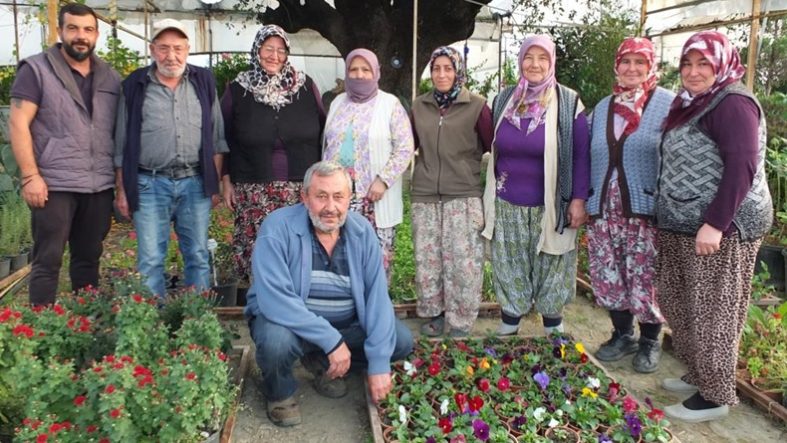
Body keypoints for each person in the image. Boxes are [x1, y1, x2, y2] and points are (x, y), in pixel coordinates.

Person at [656, 31, 772, 422]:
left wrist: (716, 224)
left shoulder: (733, 103)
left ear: (721, 65)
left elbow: (742, 166)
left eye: (703, 64)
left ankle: (715, 396)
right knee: (680, 303)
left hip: (720, 228)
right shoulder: (692, 102)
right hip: (682, 223)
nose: (693, 72)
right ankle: (699, 374)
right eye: (687, 64)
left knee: (713, 312)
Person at [245, 161, 413, 427]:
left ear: (349, 198)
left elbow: (377, 298)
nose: (330, 207)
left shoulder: (362, 232)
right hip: (292, 327)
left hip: (346, 326)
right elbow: (274, 300)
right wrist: (331, 340)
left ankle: (323, 363)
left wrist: (379, 363)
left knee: (400, 340)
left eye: (338, 197)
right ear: (305, 197)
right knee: (276, 341)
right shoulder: (277, 228)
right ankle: (280, 392)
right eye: (321, 196)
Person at [8, 3, 120, 305]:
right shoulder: (36, 70)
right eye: (73, 28)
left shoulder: (110, 77)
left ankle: (85, 321)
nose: (81, 36)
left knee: (88, 258)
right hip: (53, 184)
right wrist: (30, 176)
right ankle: (41, 324)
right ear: (60, 31)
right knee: (48, 260)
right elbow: (18, 123)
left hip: (97, 185)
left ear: (96, 34)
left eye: (88, 29)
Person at [482, 34, 590, 336]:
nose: (535, 64)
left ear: (552, 62)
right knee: (509, 265)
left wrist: (578, 199)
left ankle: (553, 330)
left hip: (551, 205)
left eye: (543, 58)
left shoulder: (568, 103)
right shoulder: (504, 100)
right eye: (529, 57)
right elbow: (490, 145)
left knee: (553, 266)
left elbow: (581, 155)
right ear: (520, 61)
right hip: (507, 204)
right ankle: (509, 326)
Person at [115, 19, 228, 297]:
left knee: (198, 255)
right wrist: (122, 190)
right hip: (149, 184)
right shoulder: (134, 85)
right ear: (152, 50)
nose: (171, 55)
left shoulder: (203, 81)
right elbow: (121, 144)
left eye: (178, 48)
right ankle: (151, 320)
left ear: (188, 49)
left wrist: (213, 184)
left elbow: (216, 137)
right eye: (164, 48)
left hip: (195, 183)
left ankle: (197, 317)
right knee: (151, 260)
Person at [586, 37, 674, 373]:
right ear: (617, 65)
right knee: (608, 273)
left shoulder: (668, 104)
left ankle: (650, 340)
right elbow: (586, 152)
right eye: (626, 61)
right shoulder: (603, 107)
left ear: (651, 66)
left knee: (645, 276)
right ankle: (622, 334)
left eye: (640, 62)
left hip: (644, 210)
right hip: (604, 208)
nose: (632, 68)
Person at [220, 24, 324, 287]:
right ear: (257, 50)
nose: (274, 56)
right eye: (268, 48)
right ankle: (262, 304)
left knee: (297, 252)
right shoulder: (238, 89)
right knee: (259, 254)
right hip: (253, 189)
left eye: (280, 50)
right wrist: (226, 179)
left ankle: (297, 303)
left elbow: (325, 132)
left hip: (299, 190)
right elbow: (222, 137)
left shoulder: (305, 86)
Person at [410, 46, 493, 337]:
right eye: (436, 68)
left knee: (463, 263)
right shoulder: (419, 107)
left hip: (463, 196)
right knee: (428, 261)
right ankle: (435, 314)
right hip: (425, 195)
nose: (441, 74)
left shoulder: (477, 106)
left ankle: (460, 320)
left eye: (448, 68)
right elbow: (408, 145)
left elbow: (492, 145)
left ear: (459, 72)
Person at [322, 48, 414, 277]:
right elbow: (326, 145)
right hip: (339, 198)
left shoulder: (390, 104)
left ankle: (375, 302)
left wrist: (383, 180)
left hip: (374, 198)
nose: (359, 74)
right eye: (353, 69)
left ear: (376, 72)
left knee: (375, 265)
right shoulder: (337, 103)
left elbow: (405, 148)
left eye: (365, 69)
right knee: (339, 261)